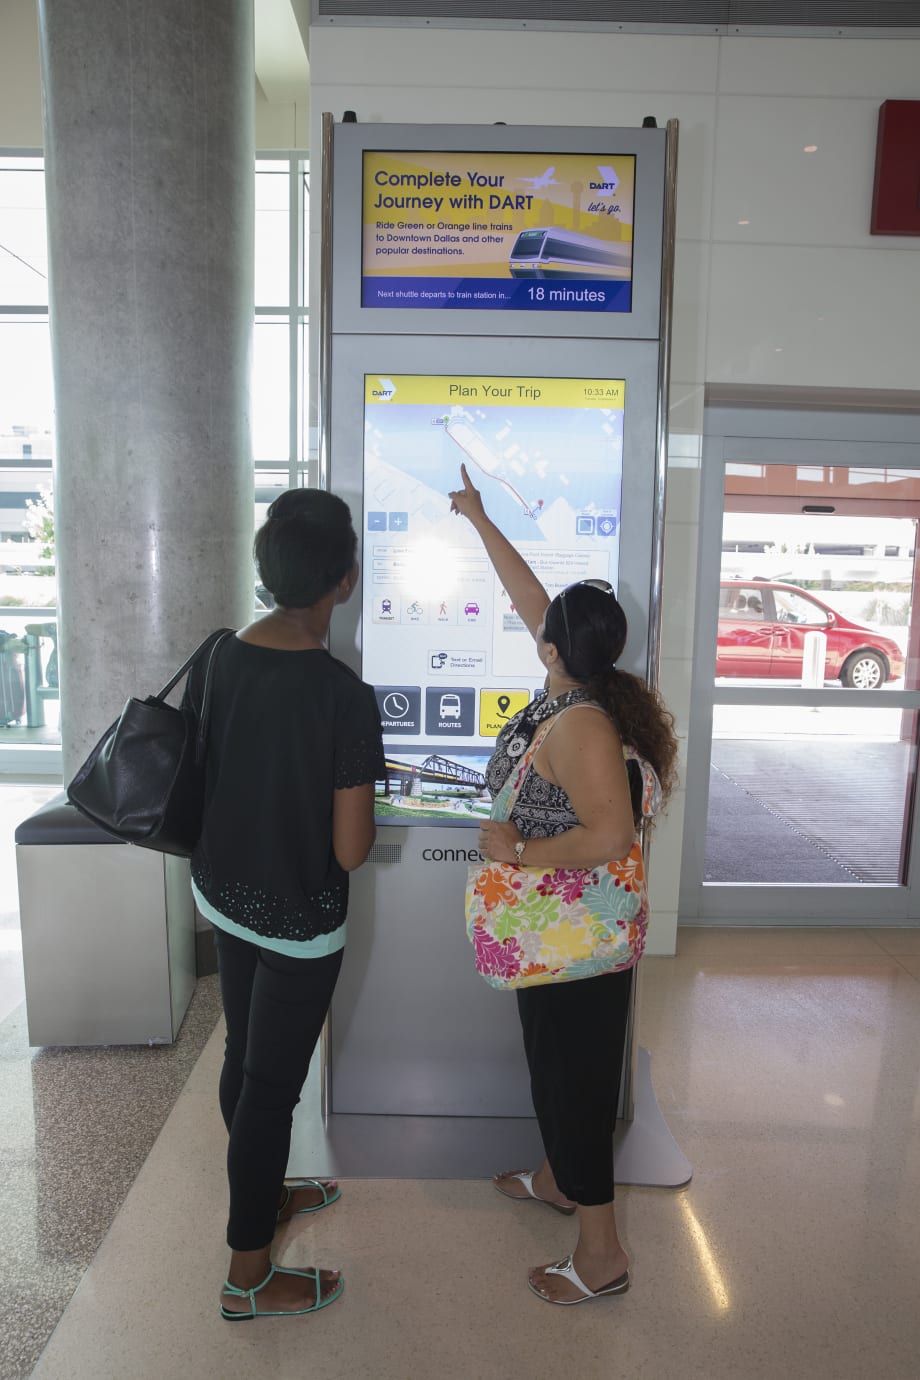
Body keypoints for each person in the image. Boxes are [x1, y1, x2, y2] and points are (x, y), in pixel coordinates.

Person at [448, 464, 677, 1306]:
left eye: (542, 628)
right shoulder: (576, 682)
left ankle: (602, 1254)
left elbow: (610, 835)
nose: (531, 621)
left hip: (570, 931)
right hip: (562, 932)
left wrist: (517, 849)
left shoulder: (579, 723)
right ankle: (555, 1179)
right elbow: (531, 599)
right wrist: (479, 519)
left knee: (574, 1084)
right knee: (558, 1067)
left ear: (555, 650)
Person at [184, 488, 384, 1321]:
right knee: (271, 1089)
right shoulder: (342, 695)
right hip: (300, 919)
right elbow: (351, 850)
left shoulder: (220, 656)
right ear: (344, 578)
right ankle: (249, 1278)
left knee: (244, 1059)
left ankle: (263, 1190)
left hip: (223, 893)